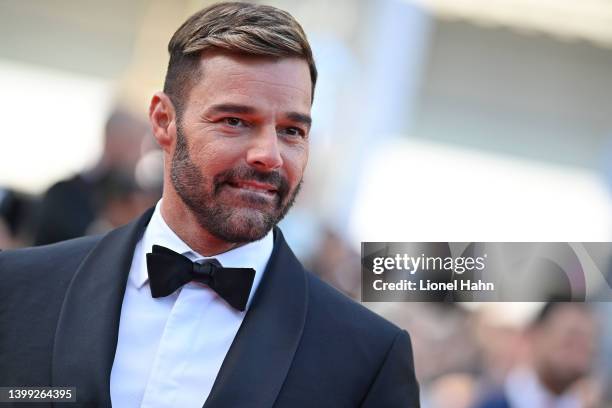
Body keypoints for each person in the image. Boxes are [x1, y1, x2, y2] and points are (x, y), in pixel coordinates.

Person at [0, 2, 420, 407]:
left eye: (292, 131)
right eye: (235, 121)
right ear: (164, 122)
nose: (269, 155)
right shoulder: (17, 290)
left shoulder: (368, 358)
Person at [33, 109, 147, 246]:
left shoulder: (137, 196)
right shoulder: (64, 194)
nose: (139, 154)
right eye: (133, 142)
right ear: (111, 140)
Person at [475, 302, 598, 408]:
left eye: (587, 341)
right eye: (570, 339)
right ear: (535, 335)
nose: (578, 353)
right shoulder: (494, 402)